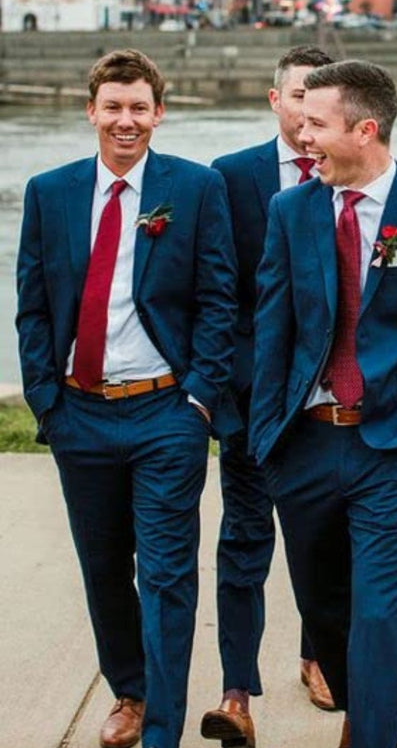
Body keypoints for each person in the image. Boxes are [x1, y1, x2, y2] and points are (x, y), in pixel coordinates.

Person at [249, 59, 397, 748]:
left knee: (379, 611)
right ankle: (359, 700)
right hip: (305, 444)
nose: (302, 133)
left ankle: (372, 733)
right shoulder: (289, 210)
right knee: (323, 608)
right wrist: (268, 439)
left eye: (316, 124)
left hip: (392, 447)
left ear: (365, 129)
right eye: (301, 119)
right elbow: (273, 327)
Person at [15, 49, 238, 748]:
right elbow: (32, 309)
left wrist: (199, 399)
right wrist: (47, 403)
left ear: (159, 113)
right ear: (91, 111)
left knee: (169, 575)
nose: (126, 120)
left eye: (139, 107)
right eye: (113, 106)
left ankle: (162, 731)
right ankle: (131, 693)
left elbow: (219, 301)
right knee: (104, 568)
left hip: (166, 413)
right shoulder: (49, 192)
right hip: (79, 413)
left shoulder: (195, 190)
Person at [200, 45, 335, 748]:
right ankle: (235, 693)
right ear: (274, 100)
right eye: (296, 94)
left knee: (318, 544)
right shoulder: (232, 179)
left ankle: (317, 656)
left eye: (320, 96)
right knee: (244, 544)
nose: (307, 108)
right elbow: (220, 296)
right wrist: (229, 399)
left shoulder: (352, 173)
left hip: (328, 409)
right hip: (252, 406)